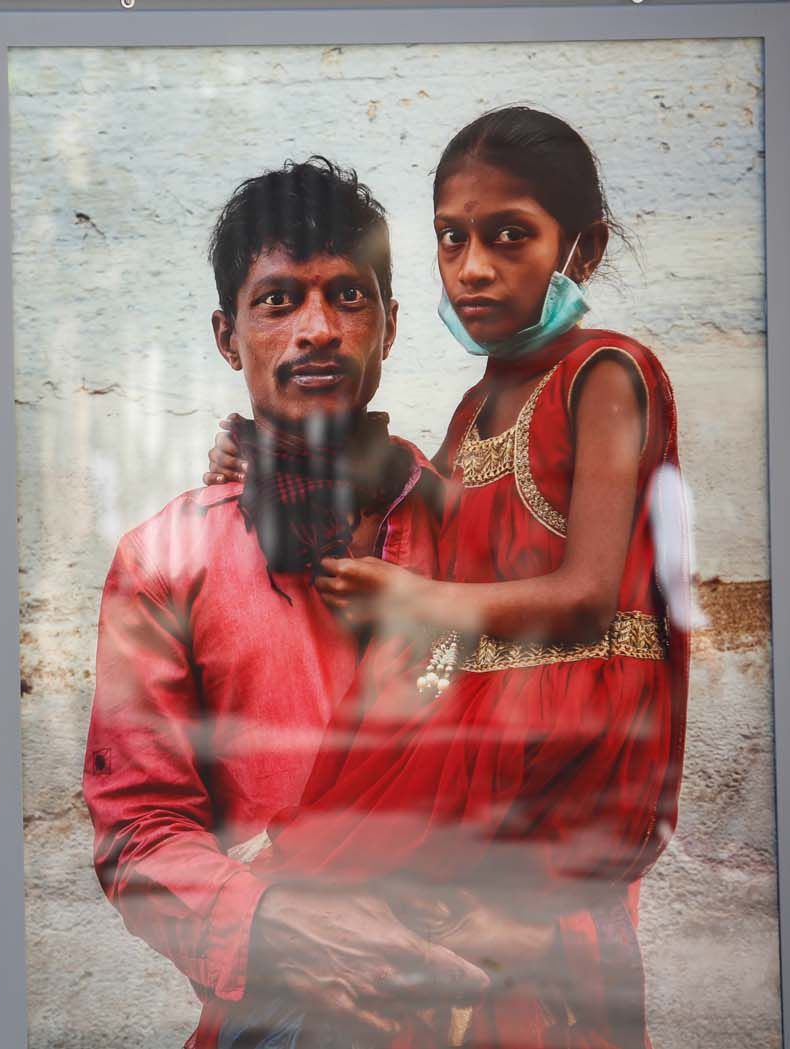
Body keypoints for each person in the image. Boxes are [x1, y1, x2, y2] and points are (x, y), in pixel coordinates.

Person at [209, 107, 690, 1048]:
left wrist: (422, 602)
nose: (471, 267)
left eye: (509, 235)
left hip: (566, 723)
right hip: (484, 716)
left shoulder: (606, 372)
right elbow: (430, 510)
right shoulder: (476, 405)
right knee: (334, 876)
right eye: (450, 237)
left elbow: (590, 588)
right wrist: (254, 451)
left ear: (579, 249)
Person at [83, 158, 497, 1049]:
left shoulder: (481, 536)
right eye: (278, 301)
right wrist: (280, 928)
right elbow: (139, 834)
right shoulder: (166, 561)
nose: (318, 329)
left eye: (348, 297)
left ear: (387, 326)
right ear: (228, 336)